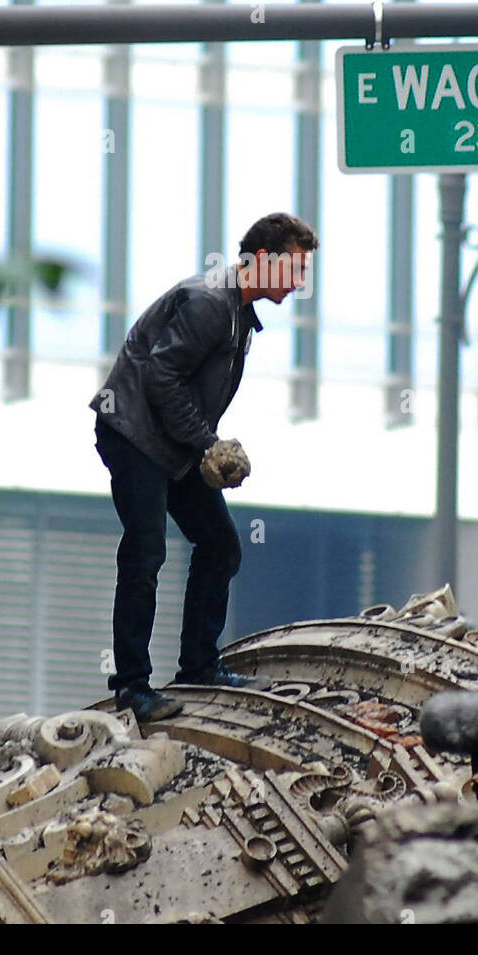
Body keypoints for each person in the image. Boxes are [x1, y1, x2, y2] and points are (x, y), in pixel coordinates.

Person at [89, 212, 320, 722]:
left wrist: (199, 445)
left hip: (172, 441)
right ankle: (132, 687)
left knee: (220, 544)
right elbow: (159, 380)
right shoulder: (212, 304)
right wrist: (207, 445)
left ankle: (198, 666)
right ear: (262, 260)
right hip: (135, 434)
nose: (300, 283)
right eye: (295, 270)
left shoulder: (238, 309)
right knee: (145, 553)